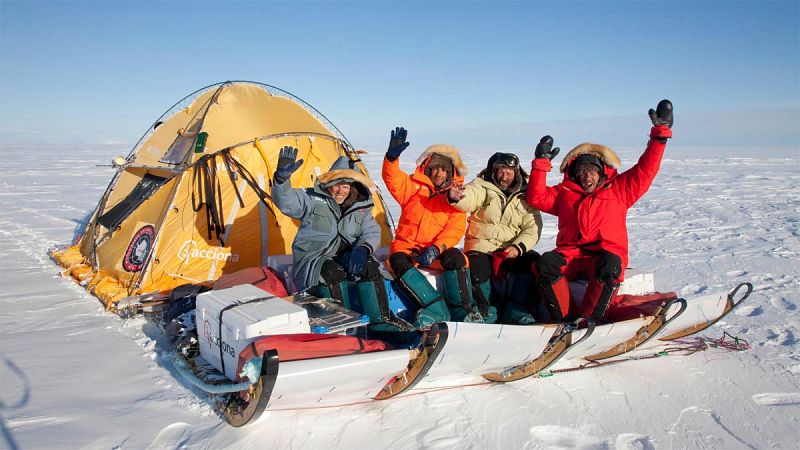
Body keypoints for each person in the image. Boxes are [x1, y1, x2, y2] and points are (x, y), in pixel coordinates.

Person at [526, 99, 674, 322]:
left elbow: (646, 169)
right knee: (545, 263)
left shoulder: (621, 189)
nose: (587, 176)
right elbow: (536, 197)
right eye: (582, 171)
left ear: (601, 172)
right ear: (574, 175)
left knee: (610, 264)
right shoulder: (565, 193)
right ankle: (563, 320)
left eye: (592, 171)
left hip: (605, 254)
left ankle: (588, 320)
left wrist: (660, 135)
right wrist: (540, 164)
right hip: (572, 255)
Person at [272, 146, 411, 332]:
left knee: (369, 265)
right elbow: (288, 203)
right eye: (337, 184)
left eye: (346, 186)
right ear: (329, 184)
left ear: (352, 187)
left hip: (345, 256)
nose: (340, 190)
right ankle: (341, 326)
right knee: (332, 272)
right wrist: (281, 181)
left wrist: (363, 249)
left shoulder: (360, 207)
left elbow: (371, 231)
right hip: (313, 259)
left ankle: (381, 321)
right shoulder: (312, 199)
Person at [382, 127, 479, 327]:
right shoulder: (413, 187)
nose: (438, 173)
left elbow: (454, 230)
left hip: (435, 250)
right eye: (435, 168)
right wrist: (391, 158)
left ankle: (464, 310)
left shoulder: (455, 197)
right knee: (398, 261)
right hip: (408, 247)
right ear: (427, 168)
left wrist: (436, 249)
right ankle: (434, 307)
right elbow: (392, 179)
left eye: (444, 169)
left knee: (457, 258)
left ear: (450, 173)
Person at [447, 151, 543, 324]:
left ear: (516, 173)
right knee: (478, 268)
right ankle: (486, 310)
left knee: (532, 261)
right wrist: (457, 197)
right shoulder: (483, 187)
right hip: (482, 245)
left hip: (512, 248)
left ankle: (516, 309)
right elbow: (470, 196)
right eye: (501, 171)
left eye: (509, 172)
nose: (504, 176)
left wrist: (517, 248)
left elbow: (533, 227)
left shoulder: (525, 195)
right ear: (493, 171)